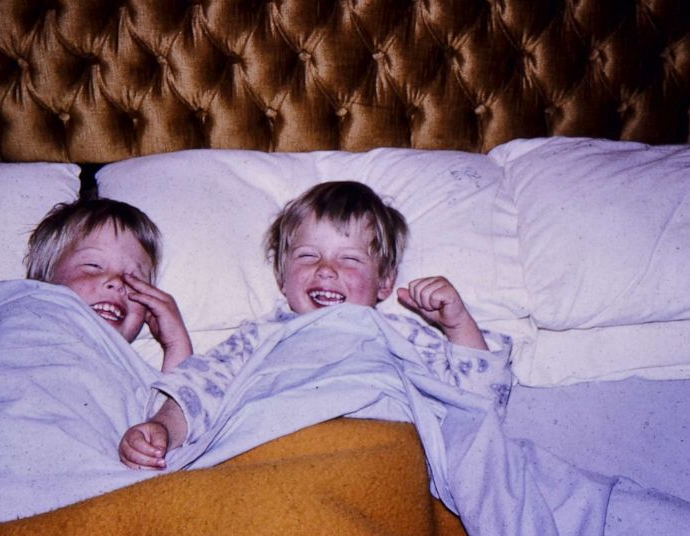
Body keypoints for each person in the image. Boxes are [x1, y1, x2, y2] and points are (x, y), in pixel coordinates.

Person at [118, 180, 512, 469]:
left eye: (350, 260)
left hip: (381, 452)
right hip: (277, 453)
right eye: (308, 256)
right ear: (281, 277)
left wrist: (458, 325)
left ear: (385, 282)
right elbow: (198, 390)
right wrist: (162, 429)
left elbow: (479, 409)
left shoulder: (402, 333)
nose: (326, 270)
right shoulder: (258, 336)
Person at [25, 192, 192, 372]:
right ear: (43, 281)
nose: (117, 282)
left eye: (133, 278)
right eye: (93, 265)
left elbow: (178, 399)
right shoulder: (13, 320)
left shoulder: (137, 376)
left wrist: (177, 345)